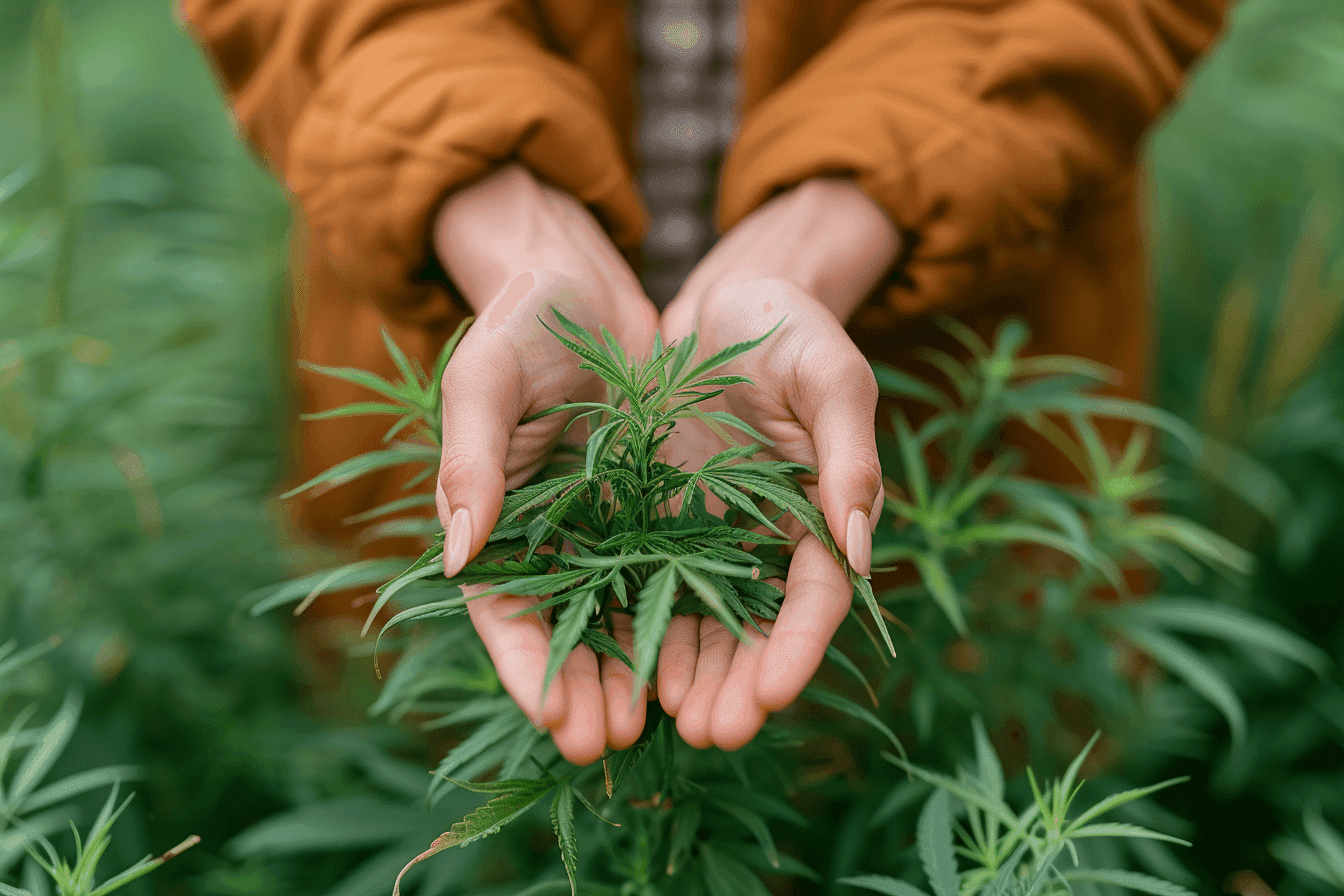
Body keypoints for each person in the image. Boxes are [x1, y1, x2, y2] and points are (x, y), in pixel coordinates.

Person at [182, 0, 1225, 766]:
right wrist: (501, 219)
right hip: (463, 336)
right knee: (446, 779)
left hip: (950, 354)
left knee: (941, 760)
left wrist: (834, 228)